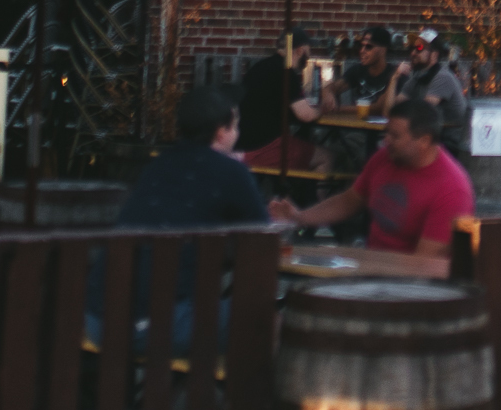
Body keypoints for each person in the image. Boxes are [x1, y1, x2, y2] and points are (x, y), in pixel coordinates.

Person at [88, 86, 277, 352]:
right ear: (222, 132)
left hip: (98, 317)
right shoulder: (233, 173)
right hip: (149, 323)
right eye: (236, 126)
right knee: (268, 317)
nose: (238, 133)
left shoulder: (158, 165)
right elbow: (263, 244)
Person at [270, 100, 474, 274]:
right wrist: (298, 217)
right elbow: (349, 200)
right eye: (387, 133)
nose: (385, 141)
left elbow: (420, 264)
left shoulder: (452, 189)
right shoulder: (386, 158)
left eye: (395, 136)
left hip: (416, 289)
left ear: (424, 141)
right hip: (372, 269)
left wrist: (359, 264)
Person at [236, 40, 329, 174]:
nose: (308, 58)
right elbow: (306, 115)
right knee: (327, 157)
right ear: (300, 50)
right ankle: (317, 196)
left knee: (300, 147)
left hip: (242, 146)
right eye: (308, 53)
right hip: (264, 148)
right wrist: (321, 109)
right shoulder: (286, 72)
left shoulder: (260, 66)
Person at [394, 29, 468, 161]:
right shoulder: (417, 78)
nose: (413, 53)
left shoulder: (443, 77)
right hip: (428, 139)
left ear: (434, 55)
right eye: (412, 48)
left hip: (449, 145)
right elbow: (393, 109)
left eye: (419, 48)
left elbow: (423, 112)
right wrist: (394, 78)